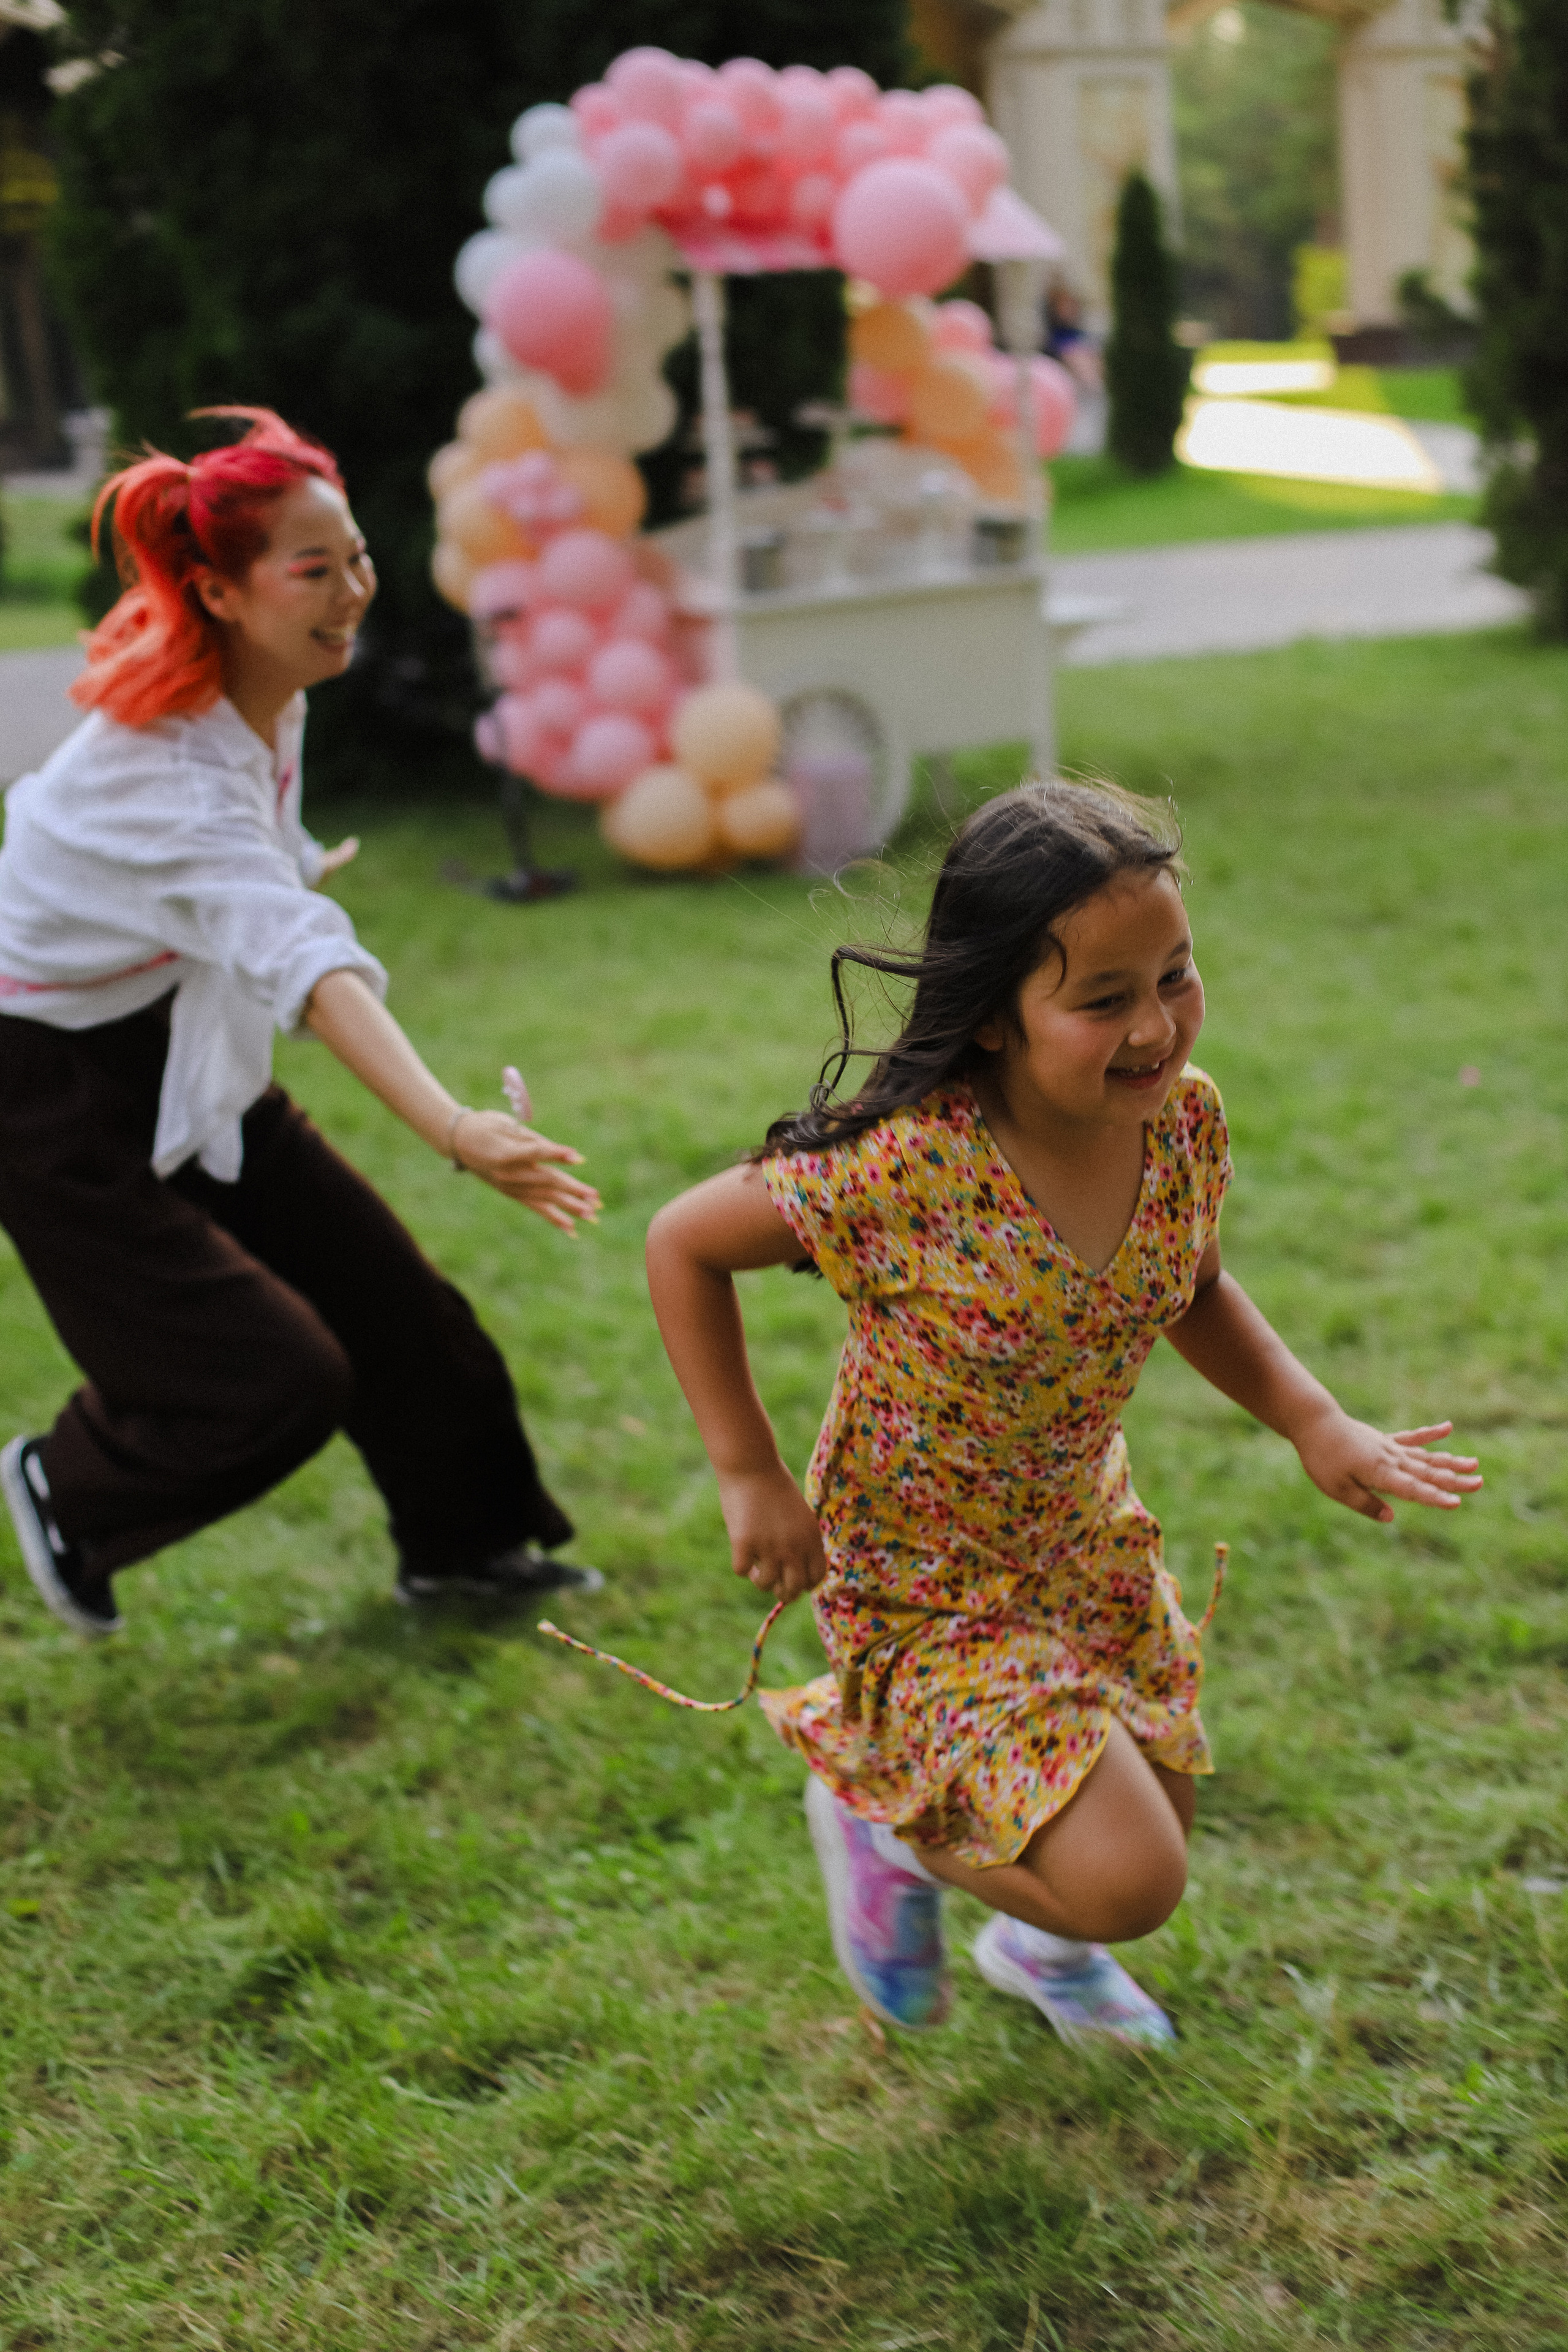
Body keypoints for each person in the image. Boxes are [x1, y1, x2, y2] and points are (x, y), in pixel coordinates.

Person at [645, 783, 1480, 2046]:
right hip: (922, 1575)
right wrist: (746, 1471)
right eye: (1102, 999)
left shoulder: (1179, 1121)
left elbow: (1185, 1280)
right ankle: (885, 1832)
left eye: (1174, 977)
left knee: (1156, 1810)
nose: (1155, 1027)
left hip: (1077, 1541)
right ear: (991, 1017)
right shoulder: (906, 1167)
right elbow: (680, 1244)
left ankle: (1037, 1953)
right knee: (1132, 1878)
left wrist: (1312, 1420)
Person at [0, 407, 602, 1638]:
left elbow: (266, 915)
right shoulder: (161, 764)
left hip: (176, 1037)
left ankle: (465, 1551)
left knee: (402, 1313)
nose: (352, 594)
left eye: (358, 560)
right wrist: (449, 1126)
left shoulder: (271, 694)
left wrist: (286, 878)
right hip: (43, 1088)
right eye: (312, 570)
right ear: (219, 589)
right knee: (272, 1378)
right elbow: (300, 960)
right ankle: (63, 1489)